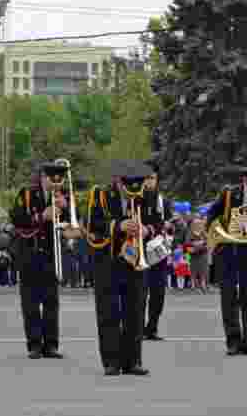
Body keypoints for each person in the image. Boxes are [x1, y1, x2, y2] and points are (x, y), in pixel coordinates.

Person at [83, 160, 152, 376]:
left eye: (137, 186)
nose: (133, 193)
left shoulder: (146, 196)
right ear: (118, 182)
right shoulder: (101, 196)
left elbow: (158, 221)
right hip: (108, 261)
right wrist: (119, 225)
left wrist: (147, 229)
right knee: (109, 312)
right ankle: (111, 361)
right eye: (128, 187)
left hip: (135, 260)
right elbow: (92, 224)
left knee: (135, 311)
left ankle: (133, 361)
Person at [10, 160, 77, 359]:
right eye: (51, 181)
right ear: (43, 178)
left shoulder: (64, 197)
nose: (55, 185)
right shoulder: (27, 194)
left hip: (51, 255)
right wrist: (41, 216)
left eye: (59, 181)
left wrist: (65, 209)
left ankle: (51, 345)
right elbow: (17, 218)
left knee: (51, 302)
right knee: (30, 303)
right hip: (30, 254)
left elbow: (73, 223)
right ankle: (34, 345)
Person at [206, 165, 247, 356]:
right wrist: (214, 236)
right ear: (246, 181)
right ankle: (232, 342)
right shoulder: (229, 194)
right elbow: (211, 216)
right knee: (228, 298)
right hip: (227, 251)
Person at [140, 158, 169, 341]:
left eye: (153, 178)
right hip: (140, 248)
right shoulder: (136, 197)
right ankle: (138, 327)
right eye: (147, 178)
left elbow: (166, 222)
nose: (150, 182)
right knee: (140, 291)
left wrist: (165, 227)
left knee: (158, 291)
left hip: (157, 250)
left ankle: (152, 327)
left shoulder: (161, 200)